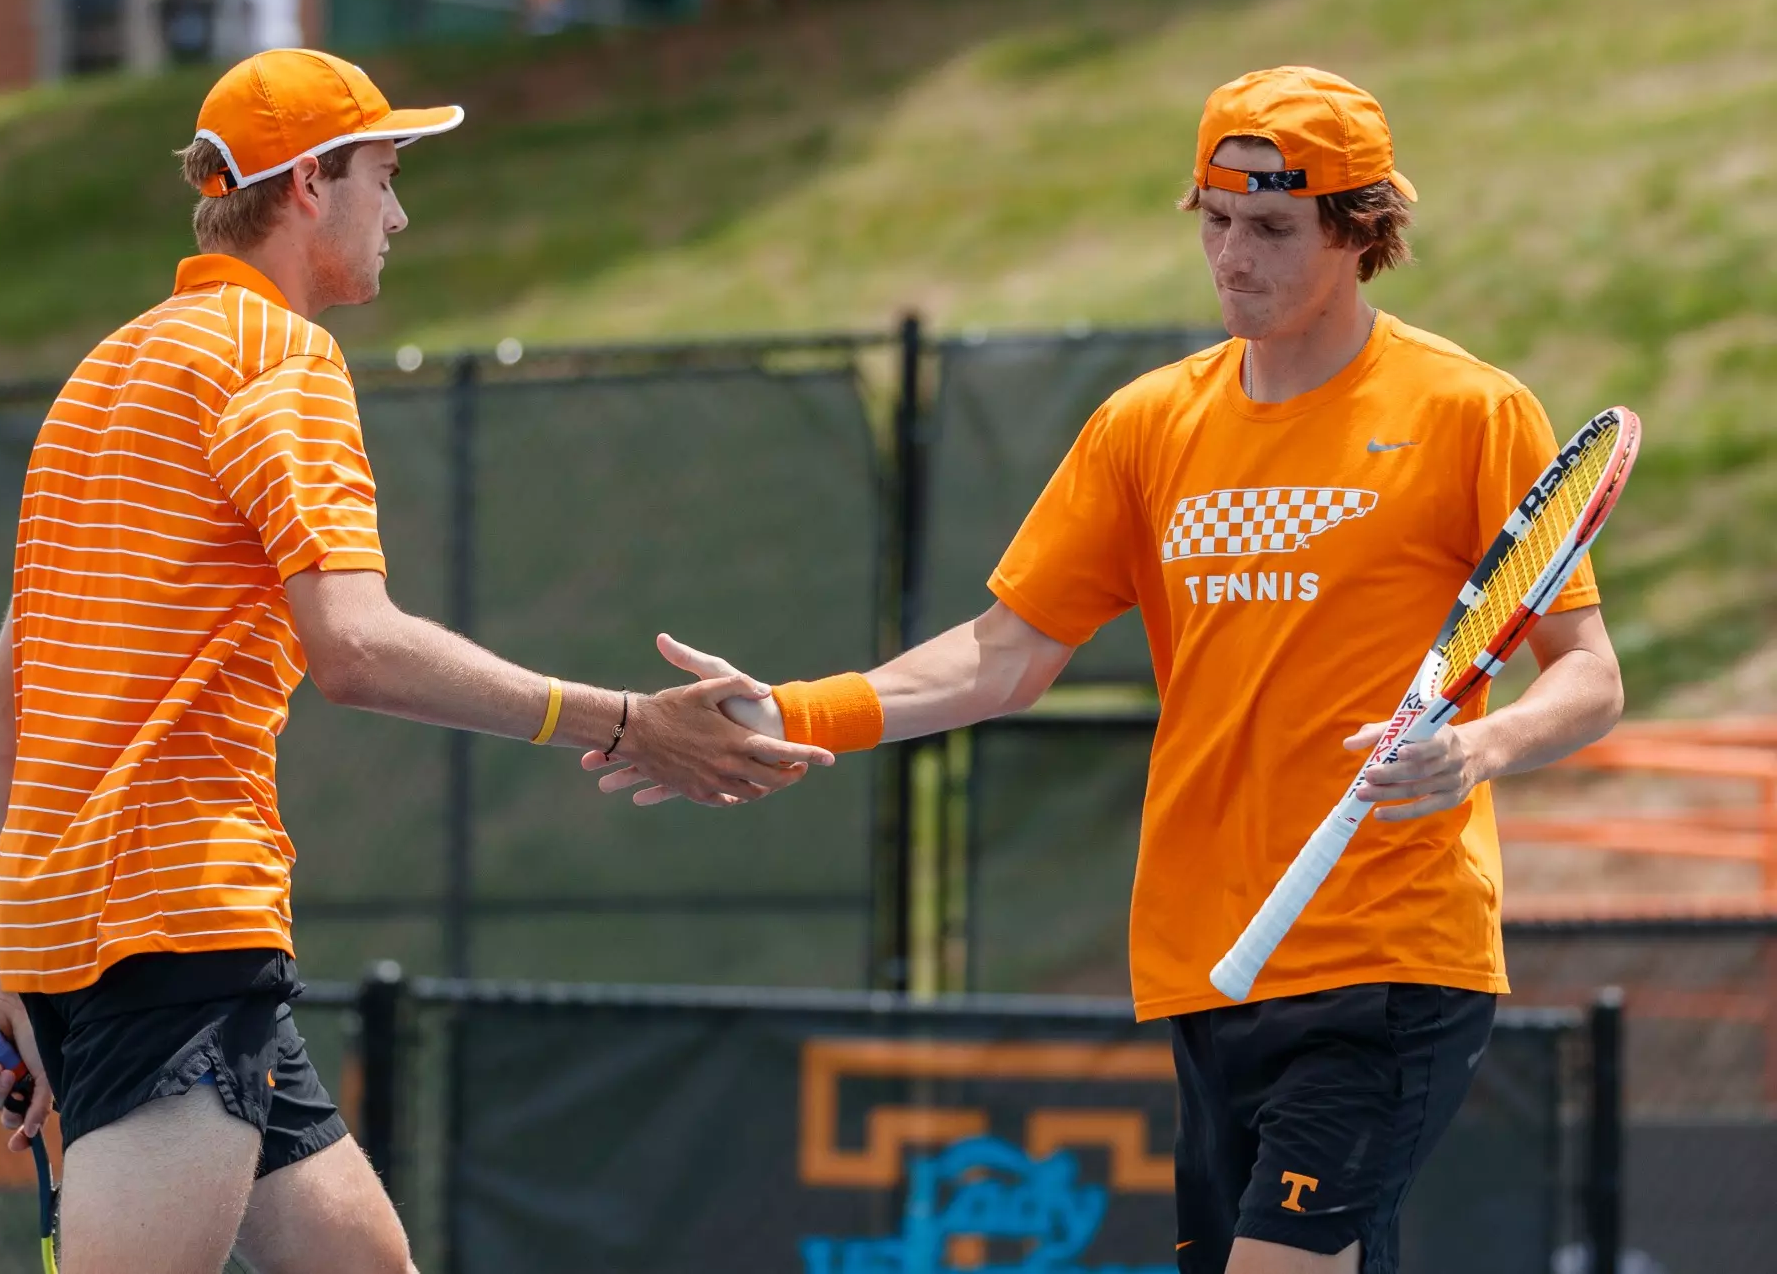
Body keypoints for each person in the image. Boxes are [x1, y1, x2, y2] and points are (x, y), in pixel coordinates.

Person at [592, 66, 1625, 1274]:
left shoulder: (1468, 411)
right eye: (1216, 223)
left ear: (1359, 231)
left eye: (1273, 229)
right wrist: (790, 709)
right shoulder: (1145, 425)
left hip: (1386, 952)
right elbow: (1005, 652)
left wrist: (1476, 749)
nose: (1233, 257)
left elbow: (1586, 674)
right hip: (1204, 956)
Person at [0, 48, 832, 1274]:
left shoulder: (105, 378)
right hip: (175, 936)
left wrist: (20, 959)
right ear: (309, 185)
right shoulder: (281, 358)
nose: (401, 211)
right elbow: (357, 650)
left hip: (114, 944)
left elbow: (2, 697)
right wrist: (630, 721)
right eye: (384, 174)